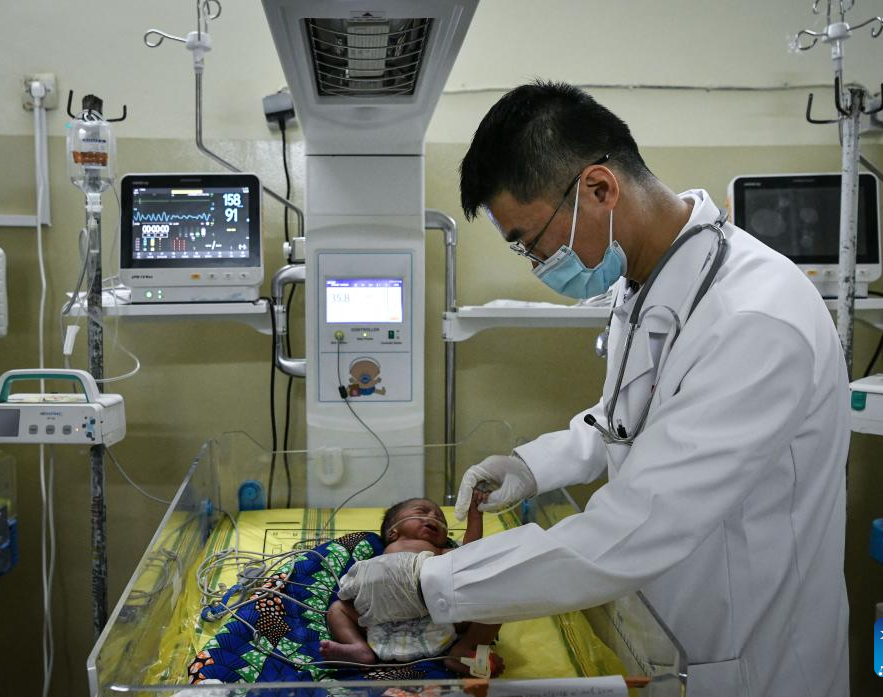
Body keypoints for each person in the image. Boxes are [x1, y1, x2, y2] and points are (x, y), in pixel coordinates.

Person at [338, 81, 851, 697]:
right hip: (669, 633)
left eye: (531, 242)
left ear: (600, 189)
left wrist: (429, 583)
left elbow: (640, 522)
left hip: (752, 660)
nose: (538, 264)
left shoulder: (756, 319)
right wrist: (531, 466)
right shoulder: (644, 285)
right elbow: (628, 417)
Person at [325, 495, 503, 676]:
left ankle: (465, 648)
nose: (434, 517)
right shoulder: (380, 555)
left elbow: (469, 555)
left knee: (497, 601)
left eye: (441, 519)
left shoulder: (439, 551)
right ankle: (359, 647)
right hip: (381, 618)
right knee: (337, 609)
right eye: (422, 511)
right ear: (393, 532)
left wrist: (475, 516)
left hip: (433, 614)